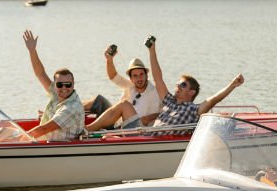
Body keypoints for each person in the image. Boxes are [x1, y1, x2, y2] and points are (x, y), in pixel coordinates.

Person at [86, 37, 245, 133]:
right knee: (122, 104)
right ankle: (86, 131)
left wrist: (232, 85)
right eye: (177, 84)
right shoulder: (169, 101)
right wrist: (152, 50)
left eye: (182, 85)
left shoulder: (193, 110)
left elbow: (213, 100)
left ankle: (87, 131)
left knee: (123, 105)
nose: (177, 86)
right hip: (143, 134)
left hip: (147, 139)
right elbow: (158, 77)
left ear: (191, 92)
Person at [23, 30, 84, 141]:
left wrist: (17, 139)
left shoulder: (71, 108)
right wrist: (32, 50)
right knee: (2, 131)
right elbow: (40, 73)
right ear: (55, 85)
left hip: (57, 150)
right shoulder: (57, 93)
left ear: (73, 84)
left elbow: (44, 130)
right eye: (60, 84)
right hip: (44, 144)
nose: (64, 88)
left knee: (7, 136)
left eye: (68, 84)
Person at [82, 45, 162, 126]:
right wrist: (109, 60)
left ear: (147, 75)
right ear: (131, 79)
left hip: (137, 129)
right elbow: (113, 76)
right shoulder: (130, 86)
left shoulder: (156, 91)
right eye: (135, 76)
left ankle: (88, 129)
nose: (139, 78)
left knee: (123, 104)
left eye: (141, 74)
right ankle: (70, 111)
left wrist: (149, 118)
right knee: (98, 100)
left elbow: (166, 111)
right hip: (118, 125)